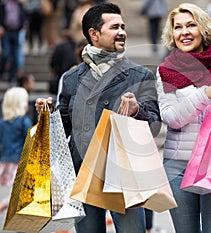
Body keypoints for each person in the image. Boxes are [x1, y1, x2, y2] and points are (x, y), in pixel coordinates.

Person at [35, 2, 161, 233]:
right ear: (94, 34)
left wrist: (136, 111)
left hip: (125, 178)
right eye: (114, 27)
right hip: (82, 174)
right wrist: (46, 116)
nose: (122, 32)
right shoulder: (72, 78)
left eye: (122, 26)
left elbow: (154, 124)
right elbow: (62, 130)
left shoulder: (140, 75)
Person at [156, 3, 211, 233]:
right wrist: (206, 93)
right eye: (177, 27)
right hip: (178, 167)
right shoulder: (165, 71)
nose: (184, 32)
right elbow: (171, 118)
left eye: (191, 25)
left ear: (203, 28)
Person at [0, 87, 33, 212]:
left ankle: (7, 205)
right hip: (20, 162)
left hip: (6, 161)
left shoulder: (3, 123)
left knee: (18, 192)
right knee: (22, 192)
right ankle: (5, 204)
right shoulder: (24, 122)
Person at [0, 0, 27, 83]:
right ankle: (1, 72)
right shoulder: (3, 4)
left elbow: (23, 16)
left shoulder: (19, 5)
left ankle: (12, 77)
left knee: (15, 55)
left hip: (16, 31)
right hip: (6, 31)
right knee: (6, 53)